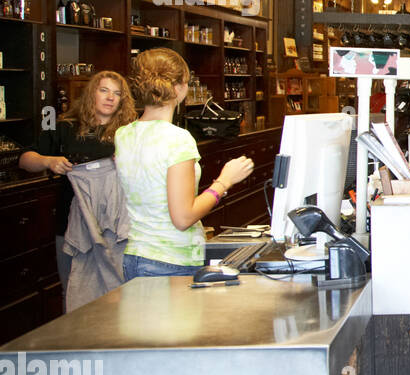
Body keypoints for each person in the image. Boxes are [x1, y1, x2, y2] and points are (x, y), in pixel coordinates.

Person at [114, 48, 254, 279]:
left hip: (136, 256)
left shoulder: (123, 134)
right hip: (171, 260)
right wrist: (224, 181)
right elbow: (183, 218)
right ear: (178, 89)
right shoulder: (177, 139)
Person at [18, 70, 137, 300]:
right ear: (91, 93)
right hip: (71, 225)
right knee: (75, 288)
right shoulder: (63, 128)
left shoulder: (129, 133)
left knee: (118, 292)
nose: (110, 97)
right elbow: (24, 159)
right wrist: (48, 161)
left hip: (116, 228)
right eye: (104, 90)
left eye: (117, 93)